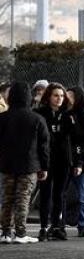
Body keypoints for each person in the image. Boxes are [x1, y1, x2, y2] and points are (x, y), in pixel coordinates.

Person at [0, 82, 50, 244]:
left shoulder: (3, 118)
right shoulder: (37, 119)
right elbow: (43, 146)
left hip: (6, 164)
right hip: (30, 165)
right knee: (23, 198)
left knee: (7, 199)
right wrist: (44, 167)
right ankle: (21, 233)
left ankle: (5, 232)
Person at [35, 83, 74, 241]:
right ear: (49, 97)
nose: (59, 99)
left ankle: (58, 226)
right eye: (55, 95)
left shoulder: (67, 115)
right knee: (45, 194)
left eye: (62, 96)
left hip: (63, 160)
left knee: (60, 194)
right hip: (46, 160)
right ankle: (44, 226)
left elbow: (75, 138)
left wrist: (77, 162)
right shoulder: (40, 114)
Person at [66, 86, 84, 238]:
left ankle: (83, 225)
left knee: (83, 194)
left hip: (82, 160)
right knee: (63, 194)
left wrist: (80, 163)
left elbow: (83, 140)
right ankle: (60, 224)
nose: (67, 100)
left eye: (71, 97)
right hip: (69, 159)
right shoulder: (67, 114)